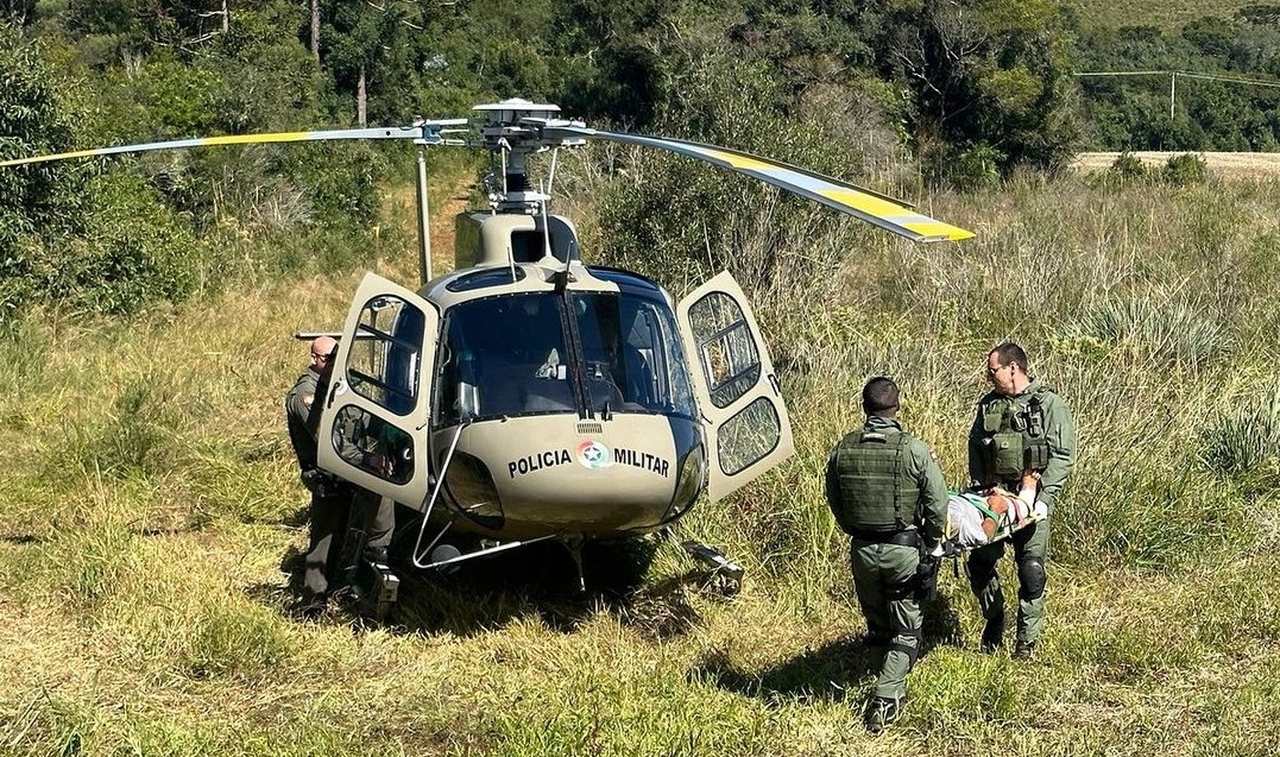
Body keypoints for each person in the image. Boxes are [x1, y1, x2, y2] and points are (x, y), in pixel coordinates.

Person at [825, 376, 948, 734]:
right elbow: (937, 504)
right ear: (897, 408)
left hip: (862, 551)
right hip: (903, 550)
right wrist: (932, 541)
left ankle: (877, 674)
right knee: (907, 630)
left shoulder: (843, 448)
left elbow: (834, 498)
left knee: (878, 626)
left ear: (865, 408)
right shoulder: (913, 449)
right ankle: (886, 697)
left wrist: (854, 528)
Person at [966, 342, 1075, 659]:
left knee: (1031, 570)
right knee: (980, 563)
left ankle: (1026, 644)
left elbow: (1063, 456)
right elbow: (975, 448)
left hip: (1033, 498)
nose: (989, 377)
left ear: (1013, 368)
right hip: (994, 499)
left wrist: (1045, 498)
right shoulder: (988, 406)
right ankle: (994, 619)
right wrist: (981, 488)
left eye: (992, 371)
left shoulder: (1049, 404)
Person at [284, 336, 349, 598]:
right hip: (322, 473)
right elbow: (324, 437)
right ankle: (313, 597)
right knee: (325, 535)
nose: (334, 363)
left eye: (337, 356)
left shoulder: (330, 385)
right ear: (314, 359)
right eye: (328, 358)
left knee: (342, 531)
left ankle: (338, 586)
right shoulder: (305, 393)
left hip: (340, 469)